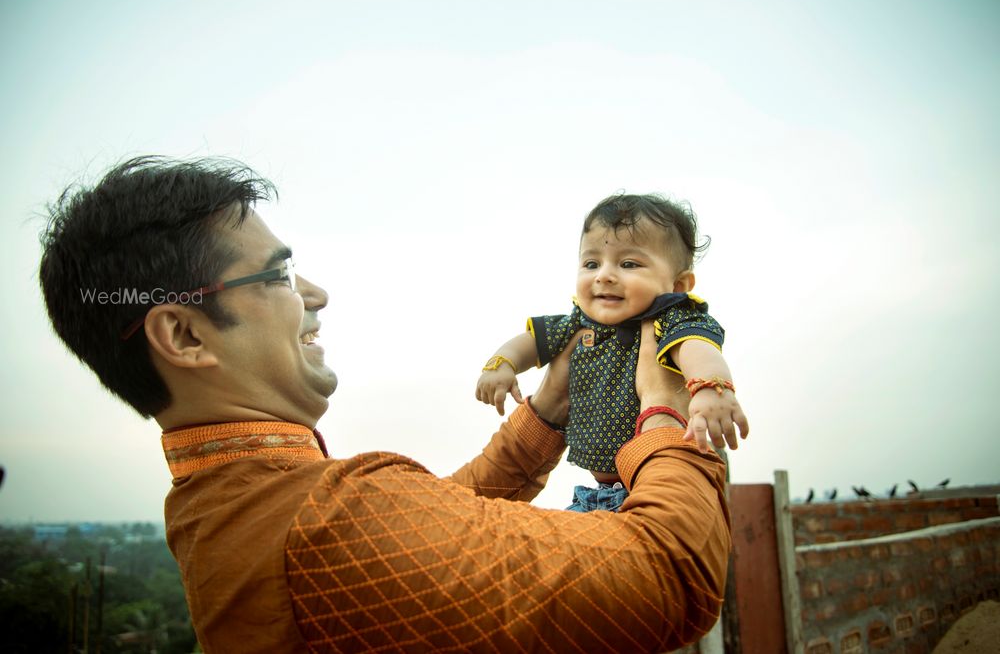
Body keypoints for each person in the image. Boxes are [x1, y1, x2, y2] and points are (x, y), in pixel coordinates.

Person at [40, 158, 732, 653]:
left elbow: (440, 526)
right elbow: (668, 577)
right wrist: (666, 409)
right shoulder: (324, 528)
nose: (315, 293)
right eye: (278, 273)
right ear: (185, 334)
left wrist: (546, 409)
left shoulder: (232, 504)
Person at [476, 194, 749, 512]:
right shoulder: (579, 324)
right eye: (591, 263)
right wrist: (502, 363)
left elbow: (698, 349)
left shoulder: (672, 318)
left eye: (629, 264)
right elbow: (530, 342)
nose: (603, 275)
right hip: (599, 492)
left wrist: (711, 388)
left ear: (677, 284)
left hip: (663, 480)